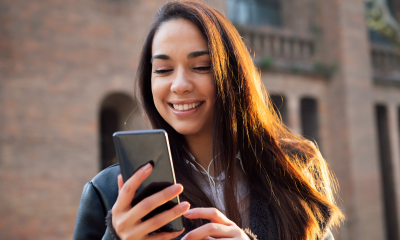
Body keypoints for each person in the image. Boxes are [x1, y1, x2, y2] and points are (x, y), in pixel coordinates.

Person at [73, 1, 344, 239]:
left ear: (234, 75)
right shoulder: (108, 194)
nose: (179, 85)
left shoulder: (294, 170)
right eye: (163, 70)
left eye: (201, 67)